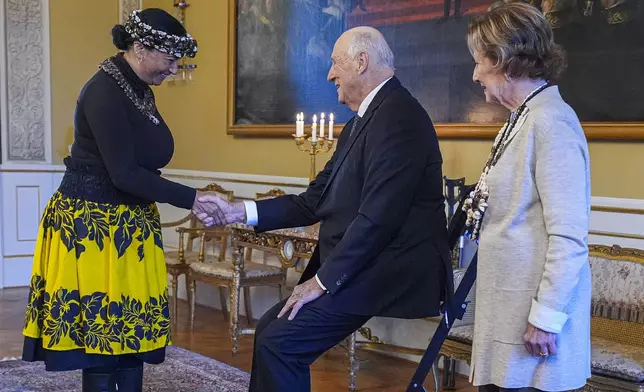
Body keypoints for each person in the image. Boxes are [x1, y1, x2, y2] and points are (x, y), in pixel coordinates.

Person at [196, 26, 453, 392]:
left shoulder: (400, 117)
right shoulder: (360, 123)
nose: (330, 74)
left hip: (388, 266)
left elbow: (379, 218)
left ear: (361, 62)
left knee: (281, 341)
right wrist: (237, 211)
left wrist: (321, 281)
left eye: (335, 63)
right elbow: (313, 201)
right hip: (367, 263)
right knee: (272, 328)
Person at [21, 8, 213, 392]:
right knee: (102, 342)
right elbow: (123, 172)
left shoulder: (138, 87)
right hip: (93, 226)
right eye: (170, 59)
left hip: (128, 223)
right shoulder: (102, 90)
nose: (174, 70)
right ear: (140, 49)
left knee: (129, 338)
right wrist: (193, 198)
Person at [463, 2, 592, 391]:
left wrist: (547, 317)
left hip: (534, 334)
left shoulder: (552, 122)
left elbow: (569, 237)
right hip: (508, 317)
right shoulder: (523, 118)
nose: (475, 74)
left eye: (479, 61)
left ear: (504, 59)